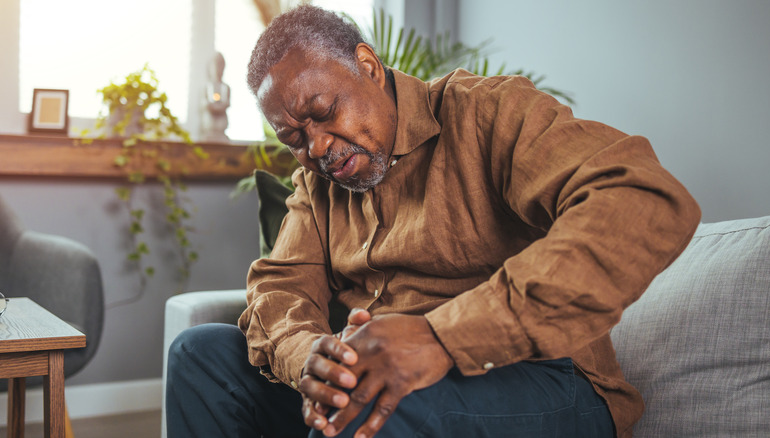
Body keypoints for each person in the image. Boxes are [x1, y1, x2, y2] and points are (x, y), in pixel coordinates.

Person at [166, 5, 700, 438]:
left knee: (373, 408)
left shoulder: (489, 115)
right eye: (295, 139)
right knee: (200, 355)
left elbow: (643, 199)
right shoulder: (319, 183)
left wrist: (440, 337)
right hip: (378, 383)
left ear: (368, 67)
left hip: (543, 378)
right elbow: (279, 287)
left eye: (324, 111)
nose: (317, 146)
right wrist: (309, 356)